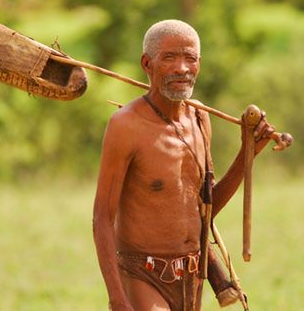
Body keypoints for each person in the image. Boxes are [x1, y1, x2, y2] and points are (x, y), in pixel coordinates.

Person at [93, 19, 274, 311]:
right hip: (142, 274)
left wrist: (247, 154)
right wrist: (117, 299)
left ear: (199, 64)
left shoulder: (200, 119)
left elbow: (206, 210)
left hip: (192, 275)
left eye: (190, 58)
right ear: (147, 63)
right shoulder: (125, 126)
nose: (181, 68)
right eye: (169, 57)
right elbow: (102, 217)